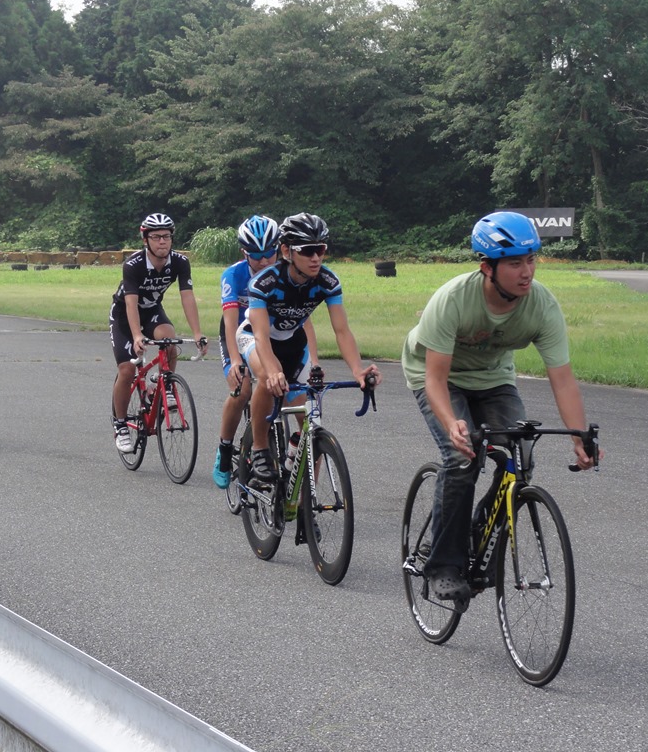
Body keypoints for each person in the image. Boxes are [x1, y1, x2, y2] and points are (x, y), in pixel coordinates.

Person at [401, 210, 598, 607]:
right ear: (487, 267)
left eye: (531, 260)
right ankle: (442, 563)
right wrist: (451, 423)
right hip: (438, 377)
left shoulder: (541, 305)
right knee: (462, 457)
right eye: (514, 263)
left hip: (494, 379)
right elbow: (435, 379)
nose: (527, 272)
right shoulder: (454, 299)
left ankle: (478, 530)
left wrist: (580, 436)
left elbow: (562, 379)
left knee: (520, 456)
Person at [238, 212, 379, 488]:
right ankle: (259, 448)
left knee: (310, 420)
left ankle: (303, 495)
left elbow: (342, 331)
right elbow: (262, 336)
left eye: (321, 249)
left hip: (293, 341)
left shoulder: (327, 281)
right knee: (267, 378)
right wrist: (273, 371)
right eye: (307, 250)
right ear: (287, 251)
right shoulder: (265, 282)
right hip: (255, 337)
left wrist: (358, 370)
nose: (316, 258)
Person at [213, 215, 318, 488]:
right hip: (241, 333)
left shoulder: (289, 274)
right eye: (256, 255)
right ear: (244, 253)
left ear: (279, 249)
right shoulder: (233, 275)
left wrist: (314, 360)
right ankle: (225, 447)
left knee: (295, 398)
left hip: (275, 335)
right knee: (242, 390)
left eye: (269, 254)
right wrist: (235, 360)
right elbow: (230, 321)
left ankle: (294, 462)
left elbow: (303, 320)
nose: (263, 261)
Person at [110, 213, 207, 453]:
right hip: (125, 315)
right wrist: (137, 336)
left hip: (152, 310)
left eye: (166, 236)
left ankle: (164, 384)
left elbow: (187, 297)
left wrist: (197, 333)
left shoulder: (180, 262)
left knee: (169, 341)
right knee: (127, 369)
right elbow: (131, 304)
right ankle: (120, 424)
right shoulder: (133, 265)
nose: (162, 241)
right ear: (146, 240)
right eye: (156, 237)